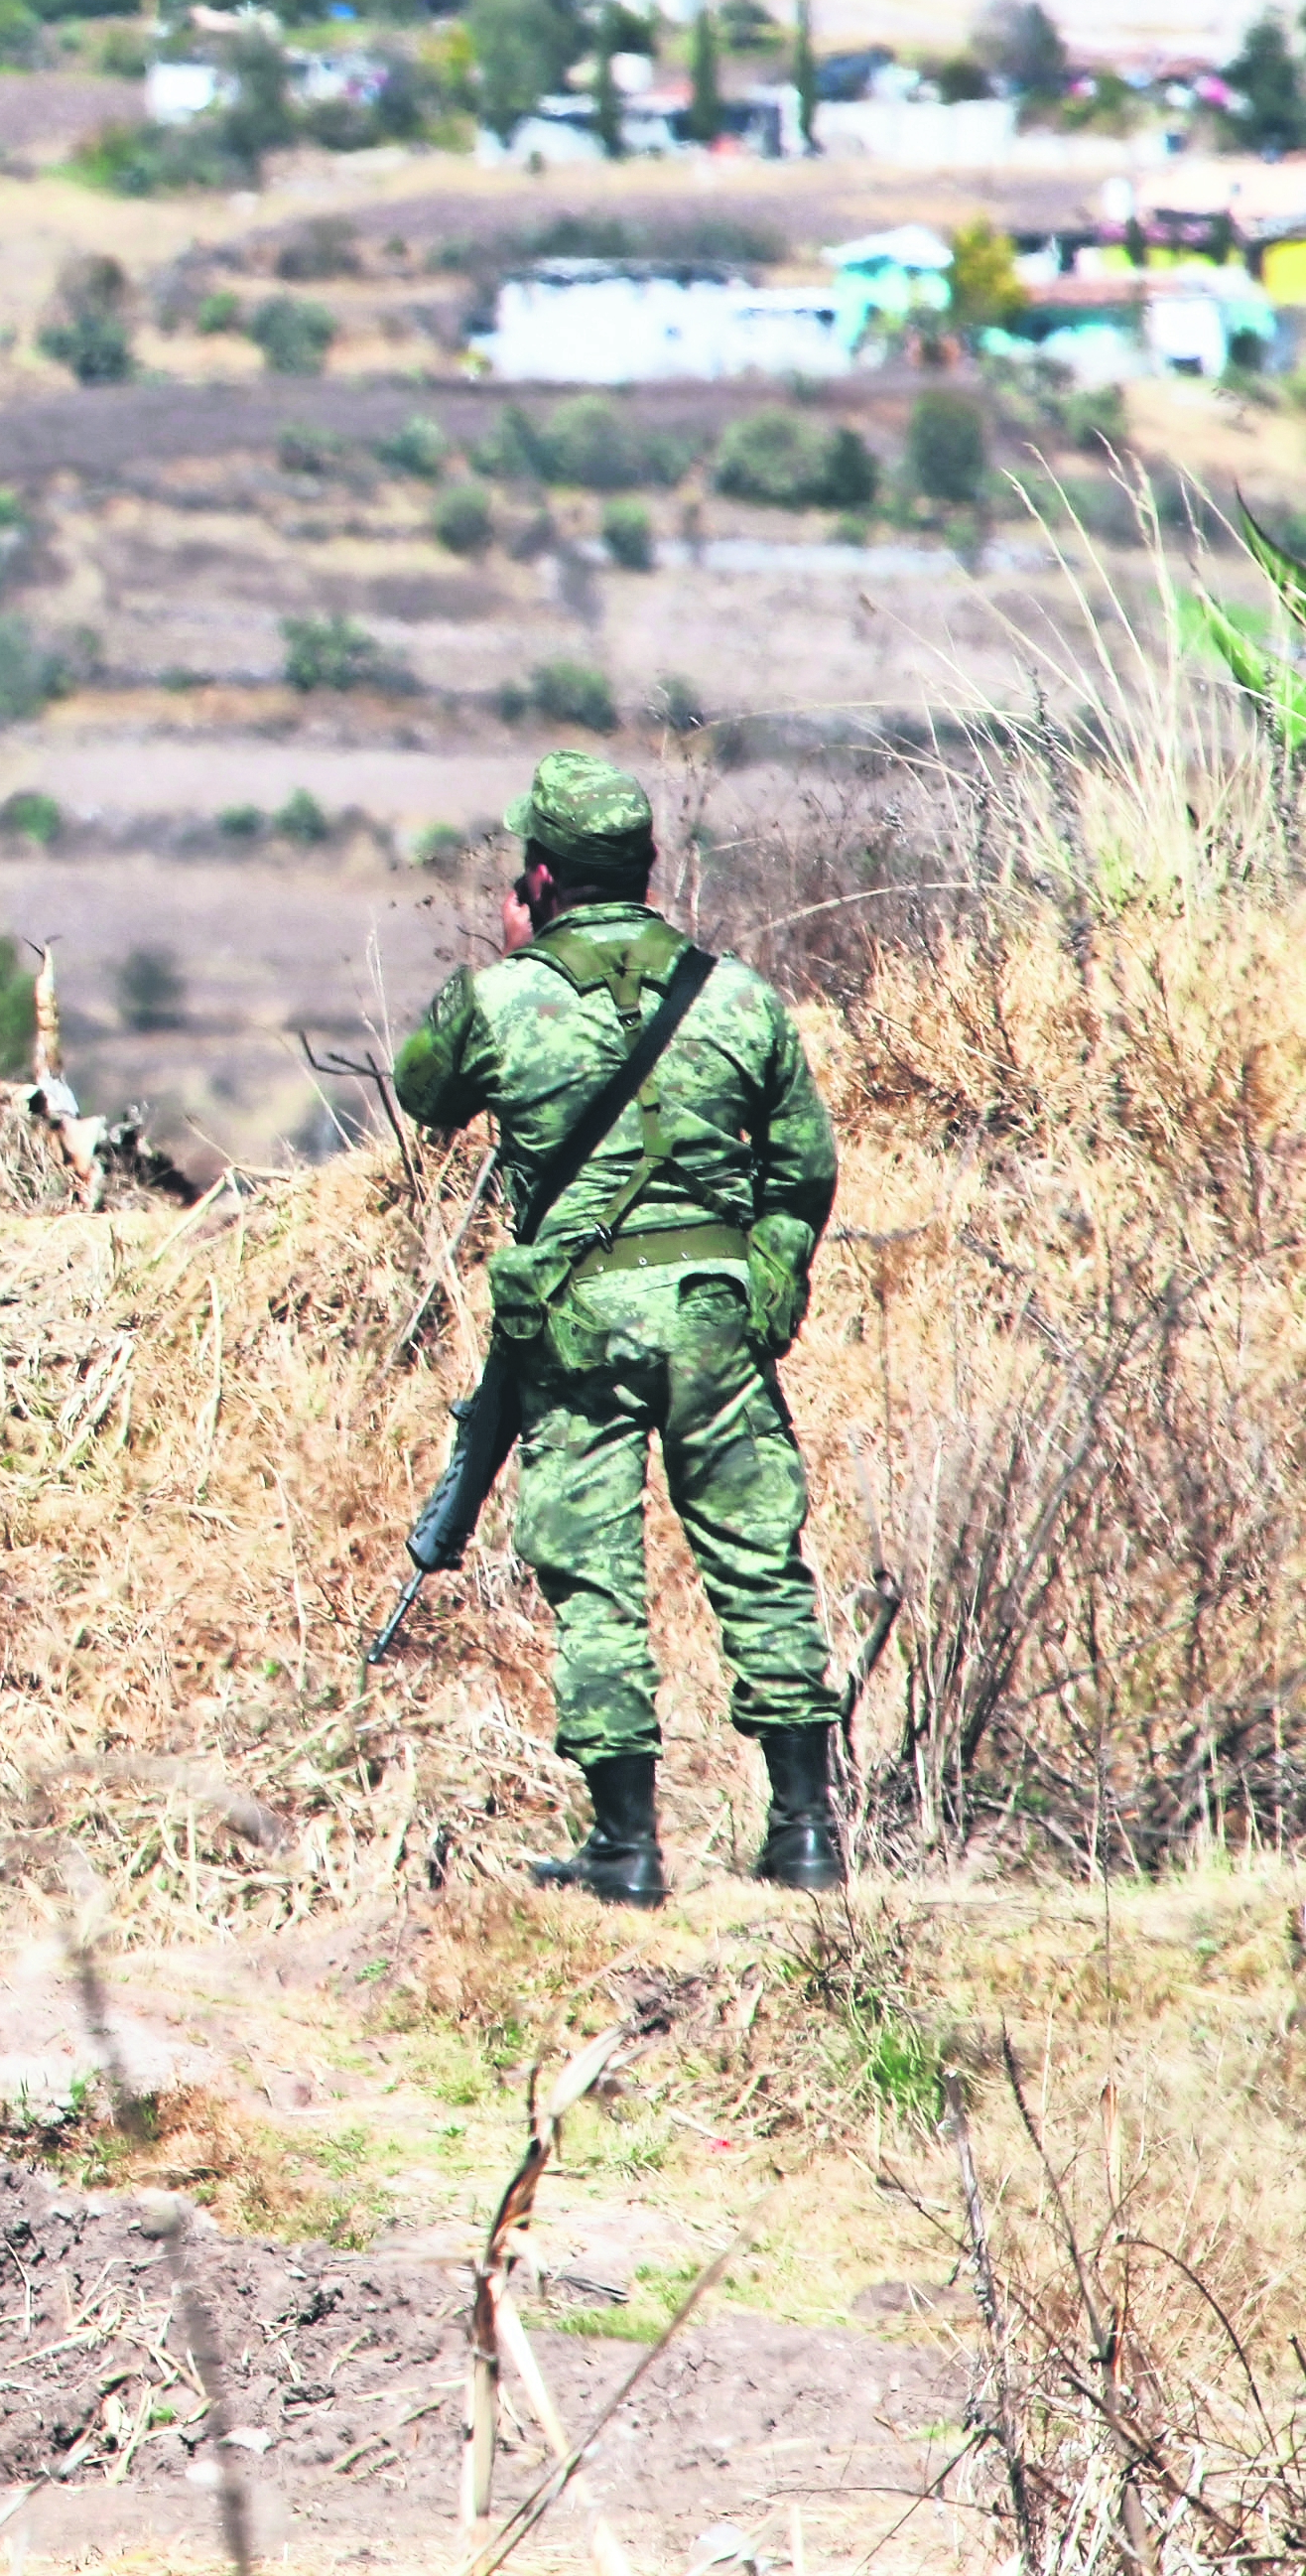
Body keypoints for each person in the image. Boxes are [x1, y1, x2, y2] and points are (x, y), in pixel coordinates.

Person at [391, 750, 845, 1908]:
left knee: (593, 1578)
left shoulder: (502, 1000)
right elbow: (801, 1170)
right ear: (646, 869)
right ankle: (803, 1838)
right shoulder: (738, 997)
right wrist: (771, 1281)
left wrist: (513, 961)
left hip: (580, 1330)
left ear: (540, 876)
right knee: (758, 1561)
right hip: (715, 1319)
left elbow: (424, 1093)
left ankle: (626, 1849)